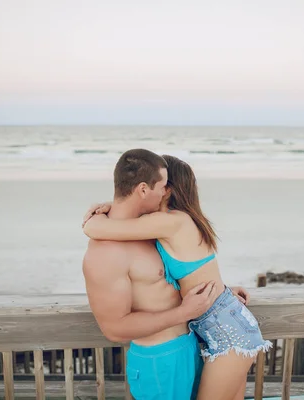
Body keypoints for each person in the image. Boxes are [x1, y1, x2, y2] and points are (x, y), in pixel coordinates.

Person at [83, 153, 272, 400]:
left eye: (164, 187)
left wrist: (92, 220)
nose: (161, 193)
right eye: (159, 187)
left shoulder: (169, 223)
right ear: (143, 189)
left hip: (224, 333)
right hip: (199, 338)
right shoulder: (152, 230)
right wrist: (217, 293)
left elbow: (103, 226)